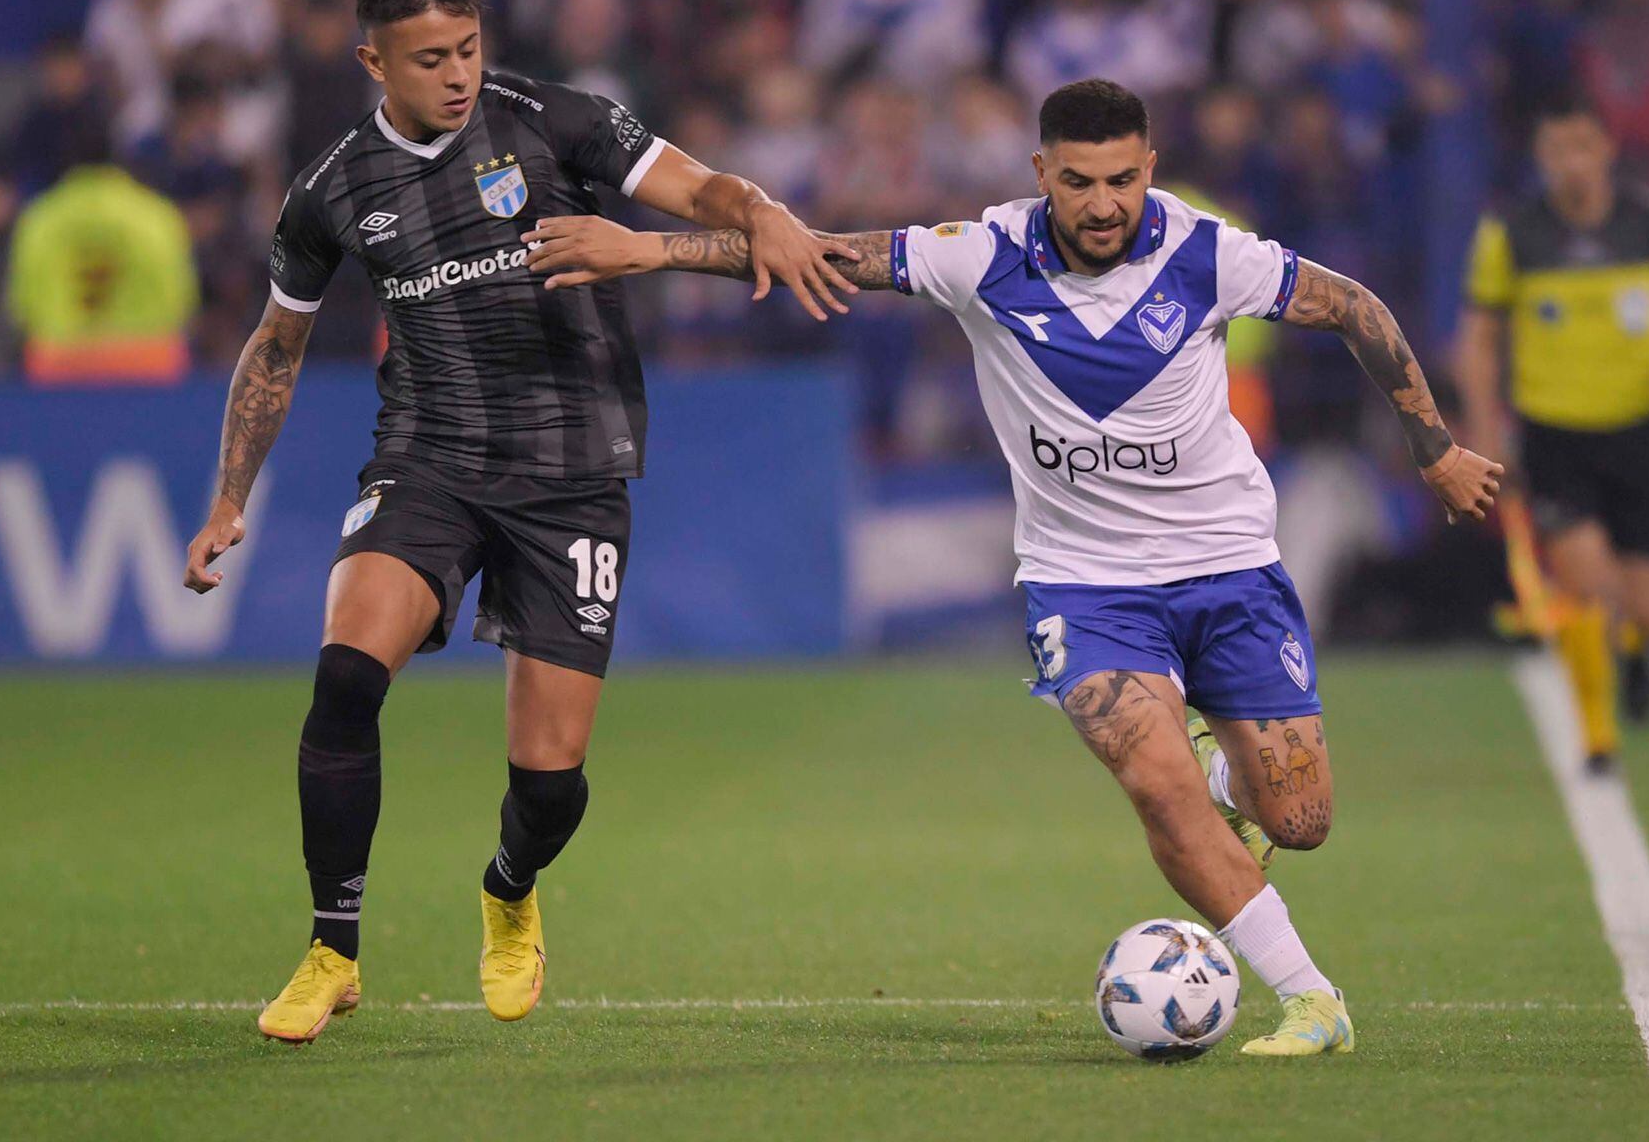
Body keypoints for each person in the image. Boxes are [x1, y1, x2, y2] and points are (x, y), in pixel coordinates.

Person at [521, 78, 1504, 1057]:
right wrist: (645, 246)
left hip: (1229, 565)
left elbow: (1354, 304)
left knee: (1302, 815)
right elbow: (817, 256)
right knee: (1155, 782)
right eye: (1080, 182)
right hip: (1083, 584)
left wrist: (1437, 450)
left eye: (1123, 178)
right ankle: (1312, 998)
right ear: (1043, 174)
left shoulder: (1210, 253)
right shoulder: (981, 253)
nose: (1105, 202)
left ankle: (1220, 761)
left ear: (1149, 168)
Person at [180, 0, 856, 1043]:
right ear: (373, 62)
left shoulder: (553, 121)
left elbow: (706, 192)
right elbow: (277, 345)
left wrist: (759, 209)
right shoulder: (332, 190)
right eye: (429, 59)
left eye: (468, 49)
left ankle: (508, 886)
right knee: (346, 675)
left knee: (549, 783)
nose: (456, 75)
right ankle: (331, 948)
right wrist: (226, 497)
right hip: (427, 456)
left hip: (572, 472)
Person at [1458, 96, 1649, 765]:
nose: (1570, 164)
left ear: (1605, 149)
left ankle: (1639, 651)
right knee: (1586, 587)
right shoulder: (1512, 234)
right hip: (1555, 434)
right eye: (1555, 151)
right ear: (1540, 159)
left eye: (1581, 147)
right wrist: (1486, 431)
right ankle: (1598, 735)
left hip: (1638, 428)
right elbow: (1480, 340)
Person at [6, 120, 198, 385]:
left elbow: (23, 308)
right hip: (144, 363)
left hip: (61, 364)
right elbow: (180, 304)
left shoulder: (39, 218)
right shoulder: (156, 215)